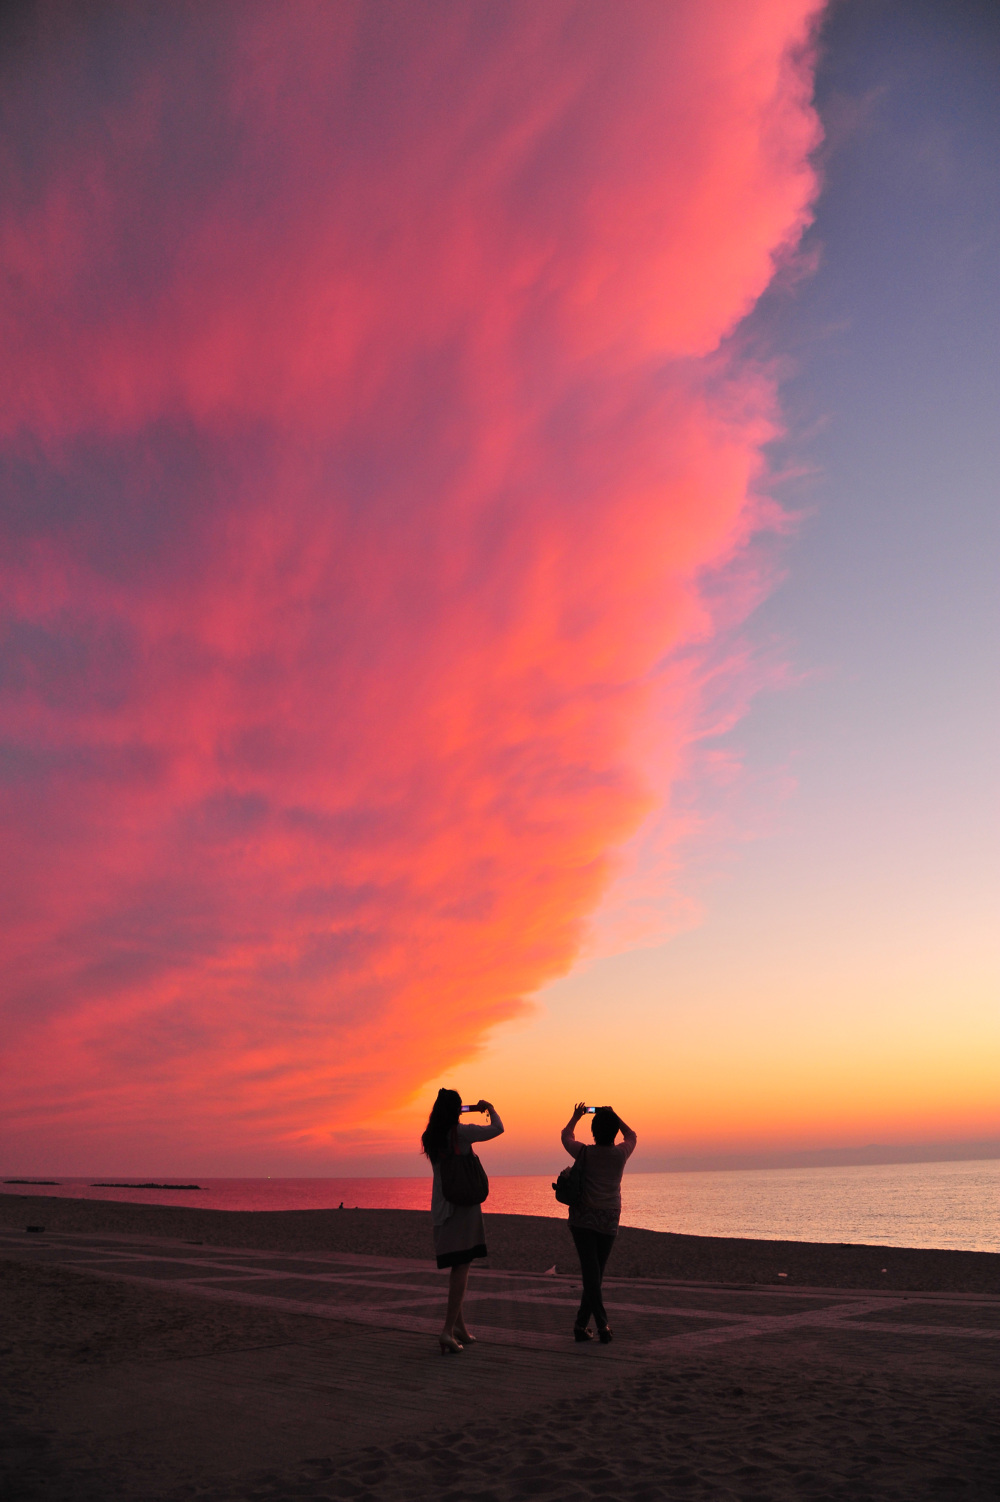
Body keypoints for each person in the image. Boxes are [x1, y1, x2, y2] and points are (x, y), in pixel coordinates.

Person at [421, 1087, 504, 1354]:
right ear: (457, 1110)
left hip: (442, 1205)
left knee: (457, 1265)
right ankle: (447, 1330)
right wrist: (489, 1108)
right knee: (462, 1267)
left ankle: (460, 1329)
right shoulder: (462, 1133)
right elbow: (498, 1128)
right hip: (463, 1208)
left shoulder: (430, 1136)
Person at [560, 1101, 637, 1344]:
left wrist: (576, 1117)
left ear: (594, 1131)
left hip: (583, 1220)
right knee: (595, 1274)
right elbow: (632, 1135)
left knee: (593, 1275)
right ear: (614, 1131)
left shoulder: (584, 1152)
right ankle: (591, 1325)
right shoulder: (620, 1153)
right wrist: (614, 1114)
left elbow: (565, 1136)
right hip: (609, 1219)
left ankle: (589, 1325)